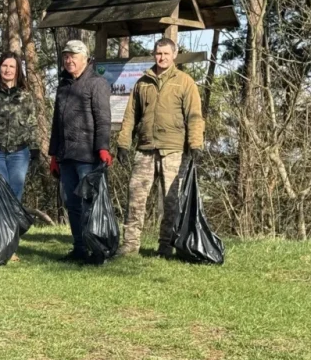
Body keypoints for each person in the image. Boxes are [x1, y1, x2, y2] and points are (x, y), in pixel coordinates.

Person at [115, 37, 204, 258]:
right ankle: (130, 244)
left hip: (173, 150)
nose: (161, 57)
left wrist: (195, 145)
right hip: (145, 149)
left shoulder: (184, 82)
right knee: (135, 197)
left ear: (174, 55)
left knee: (171, 201)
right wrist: (123, 143)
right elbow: (130, 116)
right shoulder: (142, 82)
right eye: (158, 53)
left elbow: (194, 116)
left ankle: (166, 246)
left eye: (165, 53)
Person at [48, 40, 112, 263]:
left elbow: (103, 120)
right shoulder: (63, 85)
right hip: (66, 156)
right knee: (72, 205)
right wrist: (54, 155)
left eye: (74, 56)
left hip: (88, 156)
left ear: (85, 58)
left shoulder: (97, 83)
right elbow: (57, 122)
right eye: (66, 56)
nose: (69, 60)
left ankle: (97, 249)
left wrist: (103, 148)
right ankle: (79, 247)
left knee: (89, 205)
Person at [0, 52, 39, 201]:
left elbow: (31, 122)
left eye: (12, 66)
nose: (8, 69)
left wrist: (34, 148)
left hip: (19, 152)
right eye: (4, 65)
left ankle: (13, 225)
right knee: (0, 190)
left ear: (17, 70)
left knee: (16, 193)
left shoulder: (24, 95)